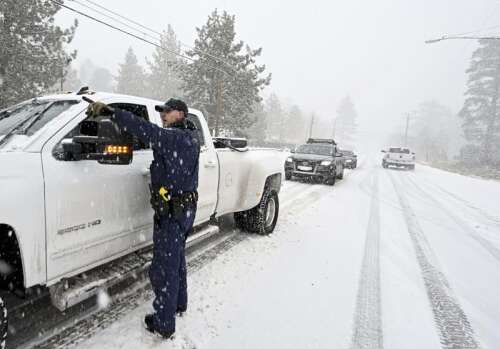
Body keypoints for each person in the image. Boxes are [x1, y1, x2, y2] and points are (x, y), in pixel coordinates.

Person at [86, 98, 200, 339]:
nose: (163, 114)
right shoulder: (189, 137)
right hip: (183, 210)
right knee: (177, 260)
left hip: (172, 214)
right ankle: (179, 304)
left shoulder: (175, 138)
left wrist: (112, 112)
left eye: (167, 111)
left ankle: (163, 323)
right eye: (161, 111)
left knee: (164, 268)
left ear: (181, 114)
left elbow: (145, 130)